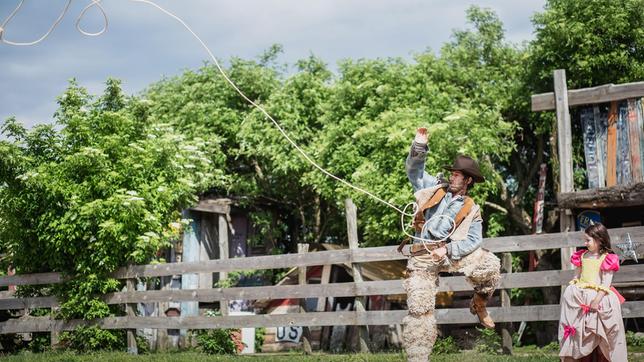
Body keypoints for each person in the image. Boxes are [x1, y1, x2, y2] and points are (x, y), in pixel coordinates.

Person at [401, 127, 501, 361]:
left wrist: (448, 249)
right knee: (419, 309)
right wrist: (419, 147)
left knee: (490, 266)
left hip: (448, 253)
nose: (453, 176)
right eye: (453, 173)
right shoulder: (434, 189)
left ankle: (479, 302)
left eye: (458, 174)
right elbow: (414, 171)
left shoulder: (471, 208)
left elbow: (475, 240)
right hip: (422, 255)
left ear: (467, 180)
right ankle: (418, 358)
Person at [559, 223, 627, 362]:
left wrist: (597, 300)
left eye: (588, 240)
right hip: (581, 295)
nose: (585, 243)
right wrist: (573, 290)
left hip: (599, 295)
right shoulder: (581, 256)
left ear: (599, 240)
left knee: (605, 328)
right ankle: (579, 356)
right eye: (585, 240)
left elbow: (606, 282)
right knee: (579, 327)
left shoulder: (607, 258)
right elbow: (576, 277)